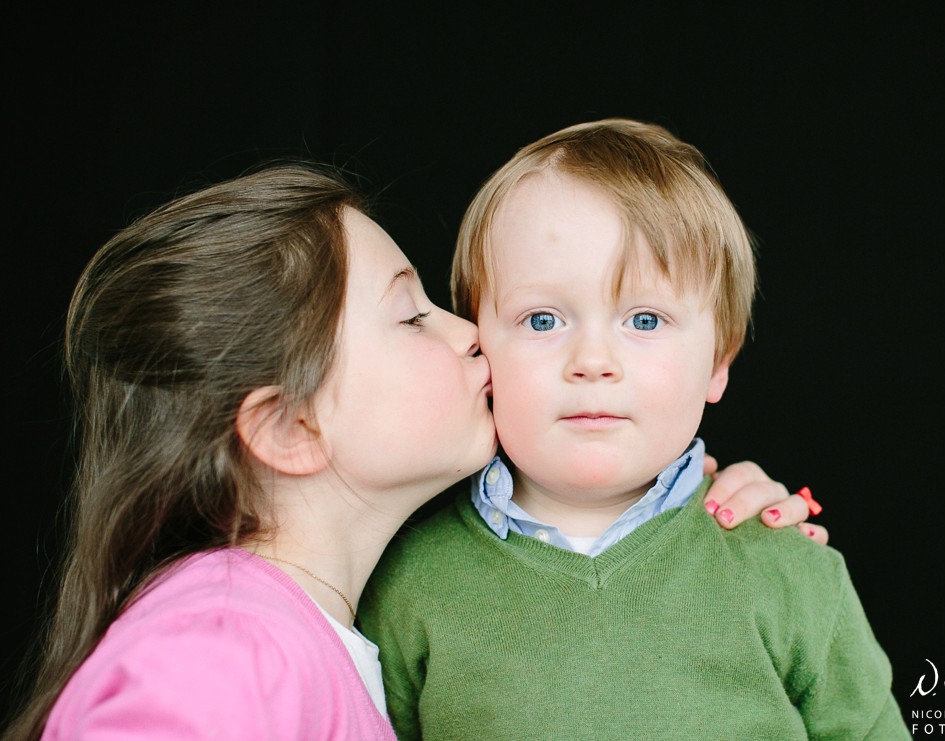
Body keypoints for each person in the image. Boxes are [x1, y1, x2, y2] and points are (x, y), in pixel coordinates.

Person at [4, 161, 817, 740]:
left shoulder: (320, 632)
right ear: (291, 428)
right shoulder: (224, 646)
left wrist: (682, 518)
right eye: (412, 314)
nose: (470, 334)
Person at [360, 120, 909, 739]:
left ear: (717, 364)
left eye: (645, 319)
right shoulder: (408, 583)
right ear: (479, 345)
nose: (593, 360)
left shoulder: (790, 572)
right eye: (542, 319)